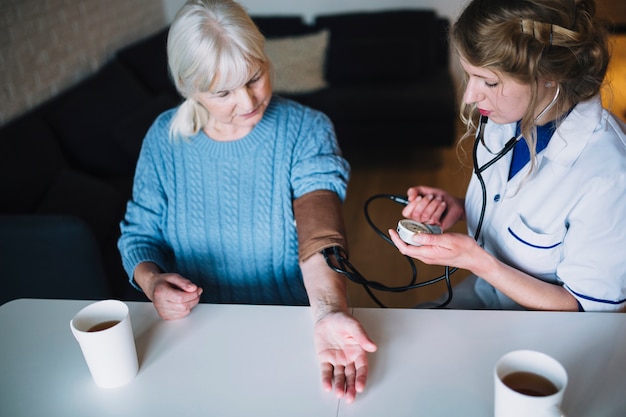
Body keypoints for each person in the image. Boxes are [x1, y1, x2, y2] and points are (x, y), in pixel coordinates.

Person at [117, 0, 376, 402]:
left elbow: (319, 234)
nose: (248, 101)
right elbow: (138, 236)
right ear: (191, 89)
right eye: (223, 92)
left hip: (290, 328)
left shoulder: (307, 129)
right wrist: (152, 283)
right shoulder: (163, 140)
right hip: (194, 334)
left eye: (254, 77)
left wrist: (328, 312)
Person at [389, 0, 626, 312]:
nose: (471, 96)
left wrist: (477, 261)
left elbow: (587, 309)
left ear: (549, 76)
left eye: (489, 82)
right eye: (469, 75)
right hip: (485, 293)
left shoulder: (610, 175)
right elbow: (513, 206)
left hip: (552, 331)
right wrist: (457, 208)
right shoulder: (505, 116)